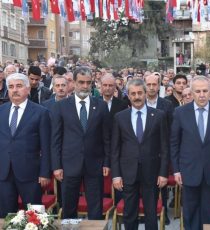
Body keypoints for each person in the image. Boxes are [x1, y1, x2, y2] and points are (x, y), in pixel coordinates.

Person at [51, 67, 111, 219]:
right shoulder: (61, 106)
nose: (85, 86)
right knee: (69, 208)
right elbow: (56, 139)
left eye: (88, 83)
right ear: (74, 83)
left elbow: (106, 138)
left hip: (95, 165)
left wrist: (106, 162)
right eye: (81, 82)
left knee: (95, 209)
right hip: (69, 165)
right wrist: (57, 166)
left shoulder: (101, 106)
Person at [171, 76, 210, 230]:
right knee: (190, 213)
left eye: (205, 90)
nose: (202, 94)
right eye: (198, 91)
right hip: (188, 171)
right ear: (191, 92)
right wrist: (176, 170)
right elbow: (174, 143)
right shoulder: (180, 112)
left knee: (209, 214)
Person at [111, 79, 169, 230]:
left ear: (145, 94)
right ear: (128, 96)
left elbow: (164, 147)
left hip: (152, 173)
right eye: (133, 94)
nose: (137, 97)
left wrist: (163, 173)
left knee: (151, 213)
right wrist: (116, 175)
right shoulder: (120, 117)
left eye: (139, 93)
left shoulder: (159, 115)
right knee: (129, 212)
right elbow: (115, 148)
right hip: (127, 173)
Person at [0, 73, 51, 217]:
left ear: (28, 89)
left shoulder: (41, 113)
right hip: (4, 173)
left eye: (19, 86)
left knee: (35, 216)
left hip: (31, 174)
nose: (14, 90)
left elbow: (46, 146)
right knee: (5, 216)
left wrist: (45, 172)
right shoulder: (1, 111)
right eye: (10, 87)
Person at [144, 73, 174, 224]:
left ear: (159, 86)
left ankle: (163, 212)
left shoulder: (167, 104)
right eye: (148, 84)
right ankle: (145, 213)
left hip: (160, 152)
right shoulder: (137, 101)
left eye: (154, 84)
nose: (151, 88)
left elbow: (170, 129)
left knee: (161, 184)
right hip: (142, 152)